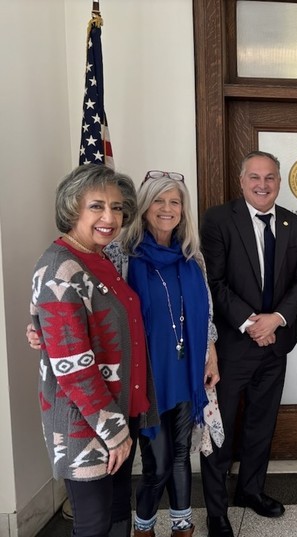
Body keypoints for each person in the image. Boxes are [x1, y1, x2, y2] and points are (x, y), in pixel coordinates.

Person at [29, 164, 158, 537]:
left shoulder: (99, 258)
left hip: (118, 409)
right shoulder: (60, 266)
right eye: (97, 206)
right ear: (73, 209)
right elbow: (73, 369)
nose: (110, 218)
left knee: (116, 511)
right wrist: (114, 431)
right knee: (94, 524)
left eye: (116, 207)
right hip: (85, 422)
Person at [199, 150, 297, 537]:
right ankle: (216, 511)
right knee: (221, 431)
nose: (262, 185)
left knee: (261, 424)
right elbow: (214, 281)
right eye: (255, 177)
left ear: (279, 182)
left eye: (270, 178)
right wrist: (252, 323)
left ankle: (250, 491)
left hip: (276, 344)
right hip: (231, 348)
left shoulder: (295, 224)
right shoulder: (218, 219)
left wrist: (276, 319)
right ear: (242, 180)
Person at [106, 171, 222, 537]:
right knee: (156, 462)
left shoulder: (192, 256)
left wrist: (211, 353)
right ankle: (143, 528)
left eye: (175, 201)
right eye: (159, 200)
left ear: (183, 210)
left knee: (181, 453)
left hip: (186, 369)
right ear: (144, 207)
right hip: (147, 375)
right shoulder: (122, 255)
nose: (167, 208)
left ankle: (182, 526)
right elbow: (94, 304)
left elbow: (206, 311)